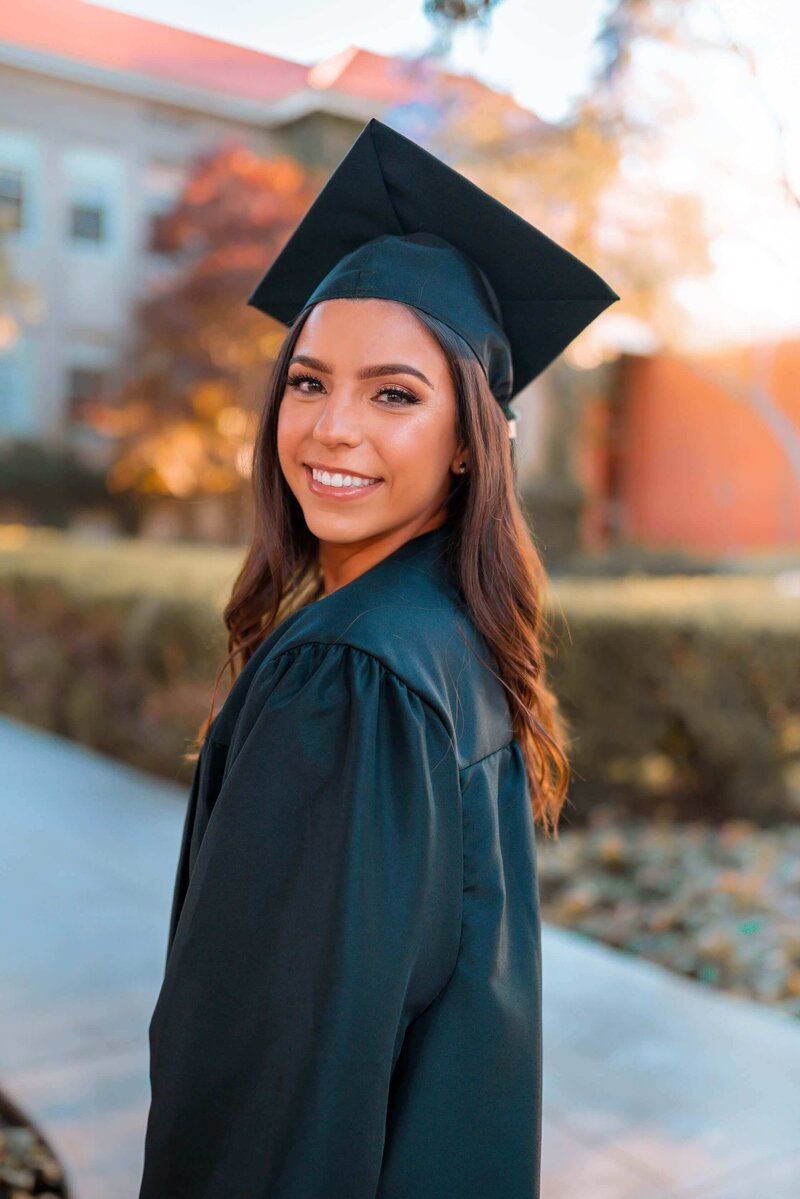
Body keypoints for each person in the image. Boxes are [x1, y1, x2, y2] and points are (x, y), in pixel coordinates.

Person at [137, 117, 618, 1198]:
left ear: (465, 440)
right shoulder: (449, 634)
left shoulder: (348, 677)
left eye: (392, 393)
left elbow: (280, 1082)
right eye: (307, 383)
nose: (330, 429)